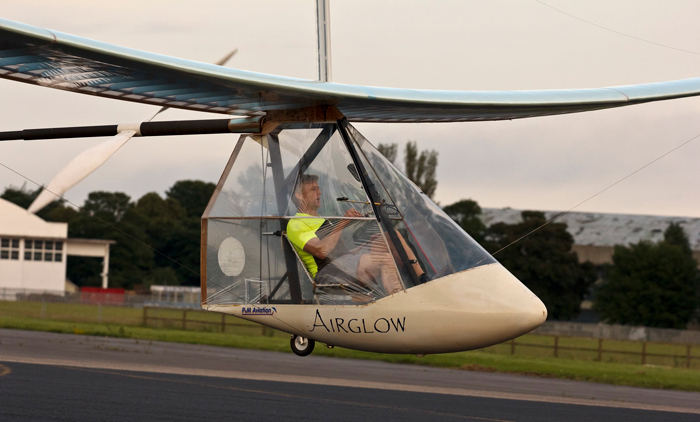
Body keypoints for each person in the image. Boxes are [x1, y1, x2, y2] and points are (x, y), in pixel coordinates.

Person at [286, 174, 424, 296]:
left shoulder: (322, 220)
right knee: (385, 259)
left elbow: (340, 254)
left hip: (345, 263)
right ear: (299, 195)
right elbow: (321, 251)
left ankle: (423, 280)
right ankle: (399, 301)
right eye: (313, 189)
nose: (320, 192)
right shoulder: (296, 224)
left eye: (318, 188)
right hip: (328, 273)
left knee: (392, 236)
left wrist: (363, 246)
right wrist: (343, 222)